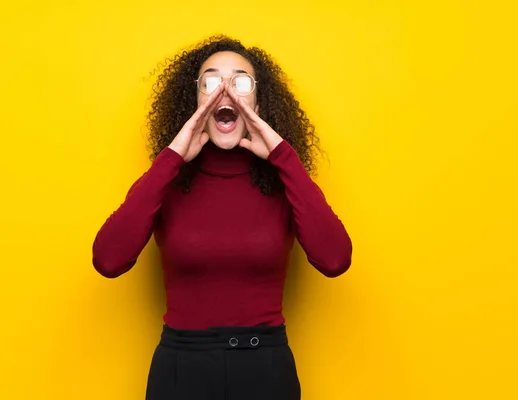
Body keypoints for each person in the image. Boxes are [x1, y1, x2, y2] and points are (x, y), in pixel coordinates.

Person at [92, 35, 352, 400]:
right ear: (195, 100)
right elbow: (108, 259)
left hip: (266, 370)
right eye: (211, 83)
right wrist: (172, 157)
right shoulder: (167, 179)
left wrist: (282, 155)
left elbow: (335, 259)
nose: (224, 93)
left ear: (259, 102)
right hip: (182, 370)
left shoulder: (284, 182)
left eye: (240, 83)